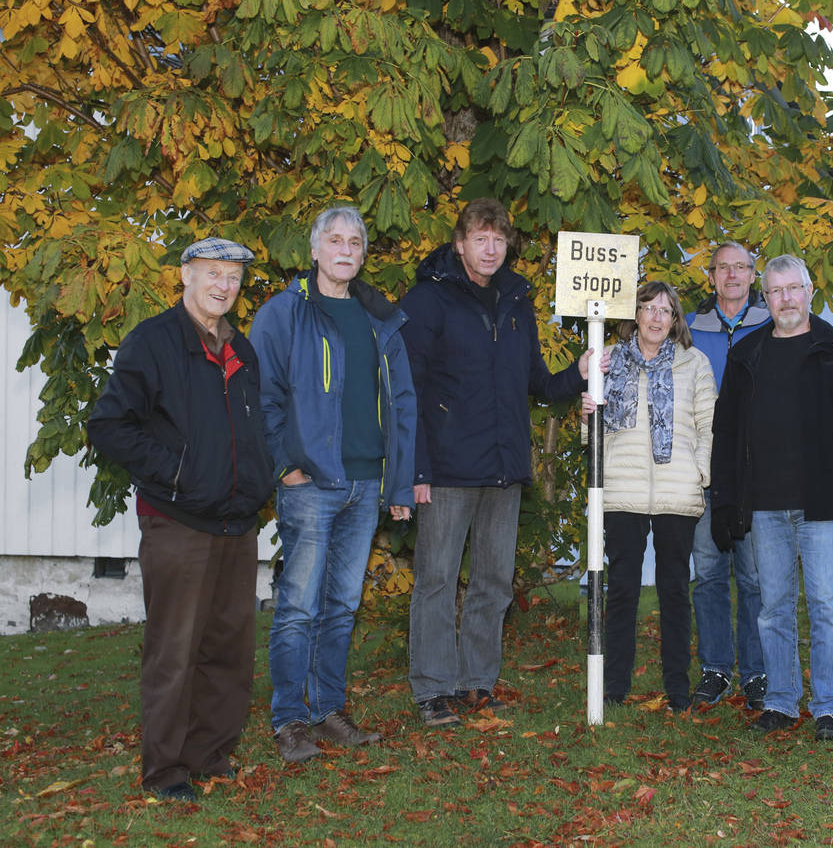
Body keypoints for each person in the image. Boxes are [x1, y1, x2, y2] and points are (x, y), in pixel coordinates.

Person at [399, 198, 606, 727]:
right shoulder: (428, 302)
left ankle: (476, 684)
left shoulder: (516, 301)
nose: (490, 249)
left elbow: (534, 382)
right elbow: (409, 392)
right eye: (480, 238)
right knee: (438, 582)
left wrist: (578, 373)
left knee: (493, 583)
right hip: (445, 469)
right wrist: (415, 469)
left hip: (503, 467)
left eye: (498, 239)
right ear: (460, 243)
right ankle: (433, 690)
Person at [87, 237, 274, 800]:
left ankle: (210, 754)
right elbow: (110, 425)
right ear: (185, 275)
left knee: (229, 646)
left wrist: (258, 476)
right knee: (174, 649)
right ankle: (165, 771)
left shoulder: (239, 346)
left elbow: (251, 427)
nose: (224, 286)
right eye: (213, 273)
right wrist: (179, 474)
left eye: (234, 278)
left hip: (237, 521)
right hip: (179, 522)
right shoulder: (153, 342)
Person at [251, 206, 416, 763]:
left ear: (362, 254)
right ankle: (289, 720)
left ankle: (327, 710)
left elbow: (402, 404)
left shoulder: (379, 318)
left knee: (343, 605)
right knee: (298, 606)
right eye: (335, 240)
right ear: (316, 250)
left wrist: (397, 483)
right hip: (310, 483)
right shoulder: (285, 314)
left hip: (365, 484)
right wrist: (285, 467)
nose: (346, 249)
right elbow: (262, 397)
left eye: (355, 242)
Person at [709, 254, 833, 741]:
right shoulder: (747, 356)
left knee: (827, 604)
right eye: (776, 291)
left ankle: (829, 707)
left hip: (823, 502)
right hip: (764, 506)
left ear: (809, 291)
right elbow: (726, 434)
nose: (786, 298)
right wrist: (725, 500)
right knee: (773, 607)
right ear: (766, 299)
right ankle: (782, 701)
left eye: (794, 288)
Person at [580, 282, 716, 711]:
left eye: (666, 310)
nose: (657, 317)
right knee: (621, 590)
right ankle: (615, 687)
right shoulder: (611, 360)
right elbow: (591, 433)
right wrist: (585, 414)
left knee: (675, 589)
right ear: (634, 315)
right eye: (648, 308)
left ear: (675, 320)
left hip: (678, 490)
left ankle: (678, 688)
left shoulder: (694, 363)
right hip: (622, 490)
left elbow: (709, 424)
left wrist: (700, 473)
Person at [685, 242, 771, 710]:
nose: (733, 275)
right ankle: (716, 669)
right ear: (711, 277)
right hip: (704, 471)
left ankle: (756, 673)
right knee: (710, 576)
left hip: (756, 473)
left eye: (742, 267)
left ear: (753, 275)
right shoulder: (692, 330)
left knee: (756, 578)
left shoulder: (772, 322)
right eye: (724, 268)